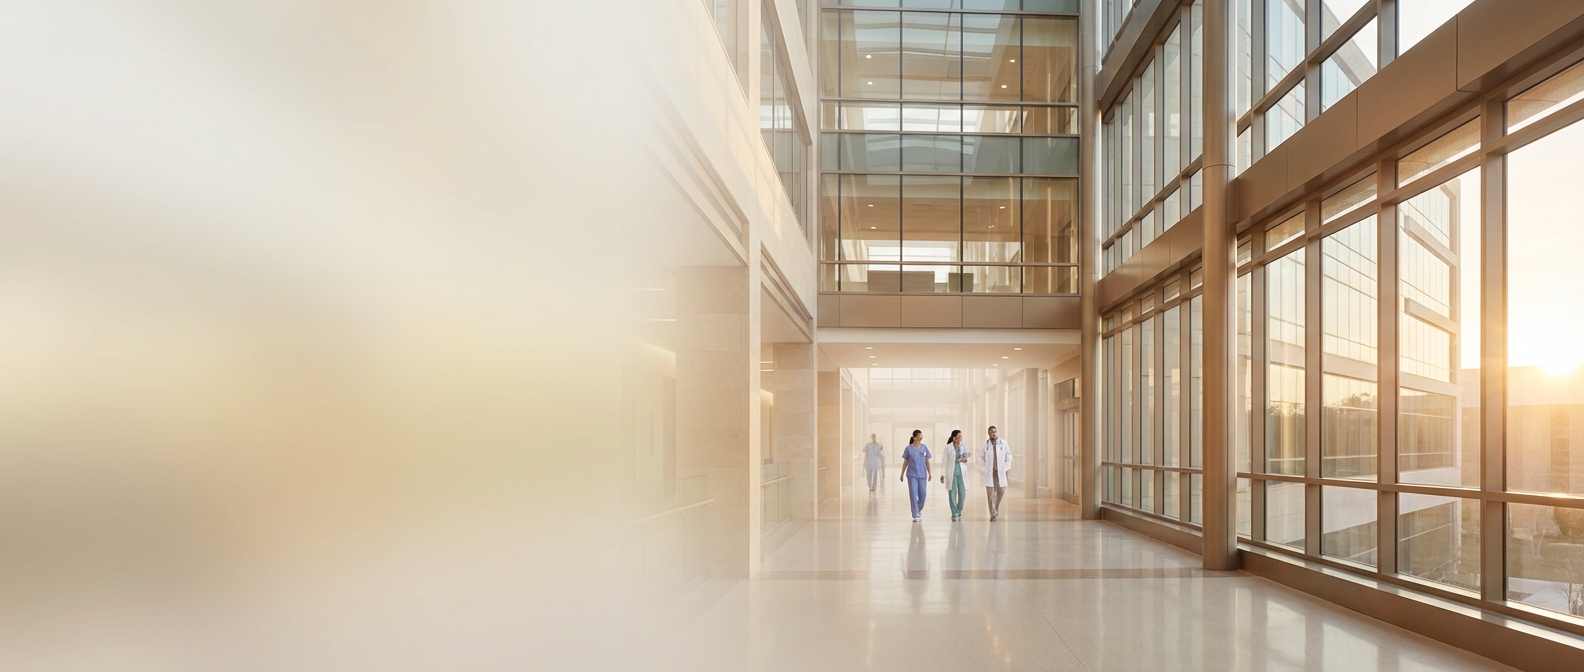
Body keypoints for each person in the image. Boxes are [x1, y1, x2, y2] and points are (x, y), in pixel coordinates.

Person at [980, 425, 1012, 522]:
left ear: (996, 432)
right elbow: (980, 457)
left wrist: (1005, 468)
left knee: (1001, 491)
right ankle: (993, 514)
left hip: (1000, 473)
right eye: (991, 432)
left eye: (995, 431)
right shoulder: (985, 444)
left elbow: (1009, 456)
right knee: (990, 494)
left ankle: (995, 508)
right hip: (990, 473)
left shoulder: (1003, 443)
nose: (993, 433)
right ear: (989, 433)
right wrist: (984, 468)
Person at [939, 429, 971, 522]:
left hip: (961, 473)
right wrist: (942, 475)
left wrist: (962, 459)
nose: (960, 438)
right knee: (952, 494)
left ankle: (958, 510)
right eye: (958, 437)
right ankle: (954, 513)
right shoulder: (948, 447)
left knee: (962, 494)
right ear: (954, 438)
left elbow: (968, 456)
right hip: (951, 474)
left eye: (961, 436)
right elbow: (944, 461)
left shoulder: (963, 446)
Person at [900, 430, 931, 522]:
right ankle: (916, 514)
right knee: (913, 494)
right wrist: (902, 473)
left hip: (922, 474)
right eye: (918, 436)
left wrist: (930, 473)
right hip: (912, 475)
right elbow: (905, 462)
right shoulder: (908, 449)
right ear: (914, 437)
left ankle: (917, 509)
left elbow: (927, 461)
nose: (920, 438)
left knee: (923, 495)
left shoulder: (924, 448)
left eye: (921, 436)